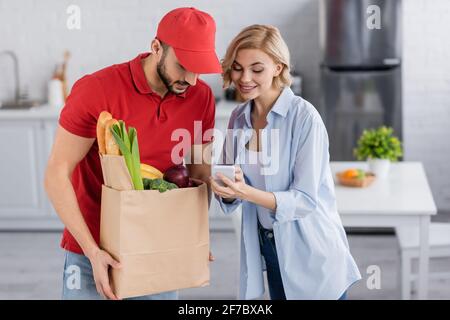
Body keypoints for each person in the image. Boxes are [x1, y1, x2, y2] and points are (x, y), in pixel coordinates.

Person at [44, 7, 221, 300]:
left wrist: (192, 236)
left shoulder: (200, 98)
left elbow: (199, 175)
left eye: (199, 68)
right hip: (93, 253)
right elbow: (56, 173)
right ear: (156, 48)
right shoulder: (97, 90)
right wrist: (92, 251)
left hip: (157, 250)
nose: (191, 79)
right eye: (183, 66)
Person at [210, 25, 361, 300]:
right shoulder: (238, 118)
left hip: (312, 249)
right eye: (237, 68)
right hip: (268, 246)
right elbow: (232, 196)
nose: (245, 78)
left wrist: (245, 192)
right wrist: (226, 188)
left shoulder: (304, 118)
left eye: (257, 69)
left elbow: (304, 200)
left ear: (278, 67)